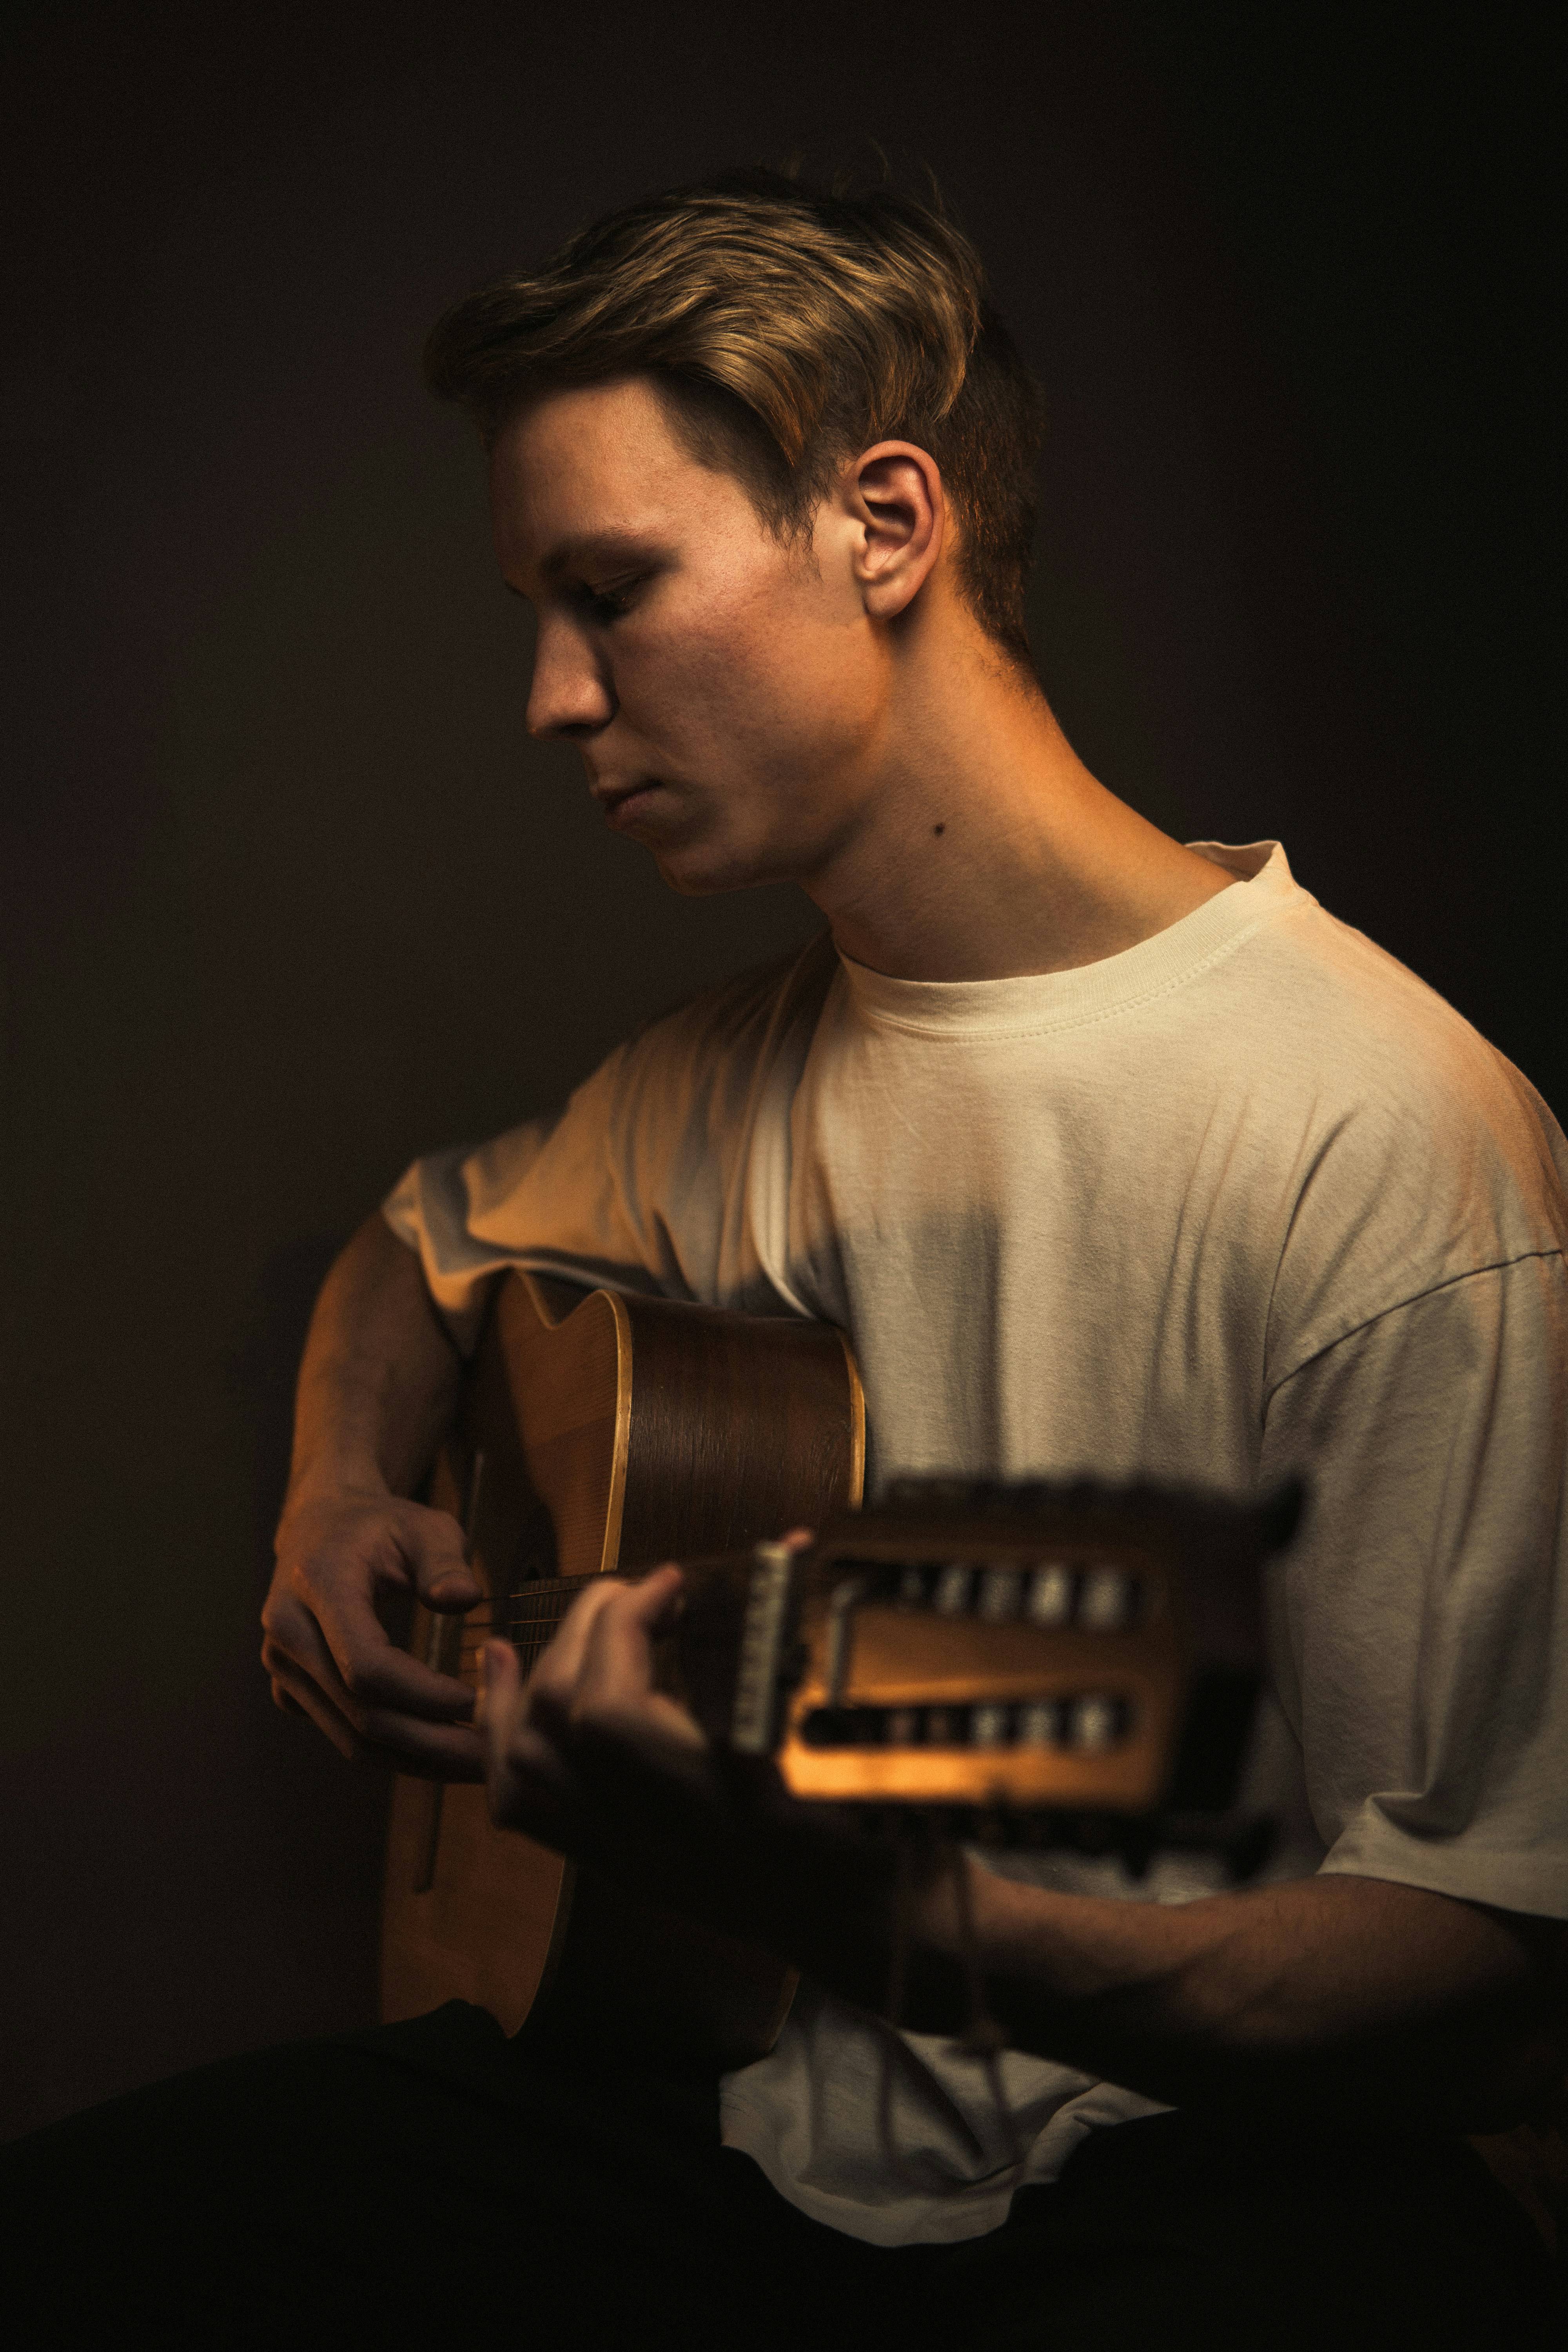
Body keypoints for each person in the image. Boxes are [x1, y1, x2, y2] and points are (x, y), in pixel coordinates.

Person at [7, 171, 1564, 2348]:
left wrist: (912, 1923)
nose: (553, 698)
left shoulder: (1387, 1137)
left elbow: (1493, 1986)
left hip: (1197, 2179)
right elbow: (415, 1254)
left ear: (886, 523)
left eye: (611, 591)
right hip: (739, 2140)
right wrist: (332, 1490)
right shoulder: (719, 1079)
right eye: (538, 612)